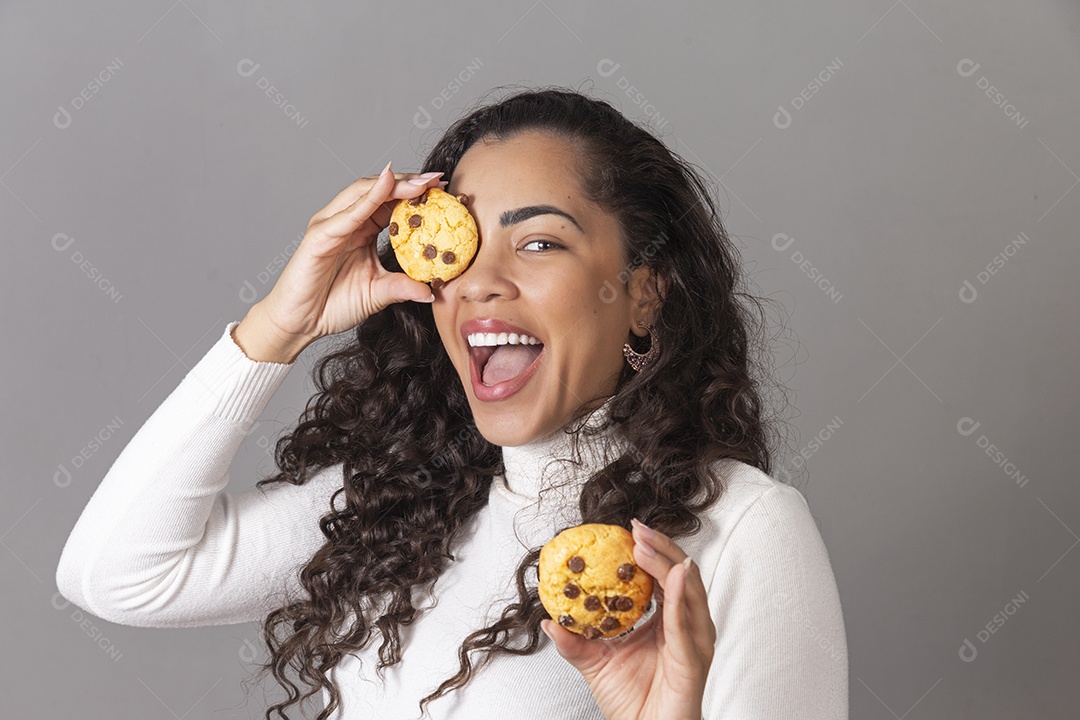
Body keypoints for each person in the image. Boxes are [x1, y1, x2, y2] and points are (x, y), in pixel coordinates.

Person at [56, 86, 848, 720]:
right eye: (462, 245)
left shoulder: (741, 531)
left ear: (642, 294)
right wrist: (278, 324)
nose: (479, 283)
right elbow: (119, 575)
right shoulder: (398, 506)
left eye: (540, 243)